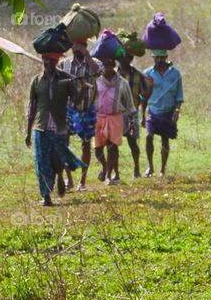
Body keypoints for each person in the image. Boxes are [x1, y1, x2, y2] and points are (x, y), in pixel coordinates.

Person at [25, 53, 86, 206]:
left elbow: (75, 103)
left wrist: (82, 90)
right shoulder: (37, 81)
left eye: (51, 60)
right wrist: (28, 132)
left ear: (57, 61)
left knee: (58, 159)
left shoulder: (66, 80)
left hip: (59, 128)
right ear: (42, 60)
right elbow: (31, 108)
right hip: (41, 128)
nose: (48, 62)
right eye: (45, 59)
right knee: (42, 162)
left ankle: (59, 175)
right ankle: (46, 196)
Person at [60, 41, 100, 191]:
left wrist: (86, 54)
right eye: (75, 46)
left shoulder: (93, 63)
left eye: (81, 45)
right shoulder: (64, 64)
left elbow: (97, 72)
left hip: (87, 109)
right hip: (69, 109)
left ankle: (82, 182)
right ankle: (68, 179)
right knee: (64, 144)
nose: (77, 48)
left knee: (86, 145)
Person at [93, 57, 136, 185]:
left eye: (109, 64)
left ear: (113, 64)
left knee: (112, 147)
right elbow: (91, 100)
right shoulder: (97, 82)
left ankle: (108, 176)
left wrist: (132, 121)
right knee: (98, 149)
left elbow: (129, 104)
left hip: (115, 117)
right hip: (99, 118)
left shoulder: (123, 83)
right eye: (104, 64)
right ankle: (105, 166)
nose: (107, 67)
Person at [143, 49, 183, 177]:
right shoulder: (148, 73)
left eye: (161, 57)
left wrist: (177, 110)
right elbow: (143, 96)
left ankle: (162, 169)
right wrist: (142, 115)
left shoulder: (175, 74)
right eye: (156, 58)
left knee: (165, 139)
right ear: (153, 57)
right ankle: (150, 167)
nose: (159, 60)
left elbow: (179, 95)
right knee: (148, 136)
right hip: (153, 111)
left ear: (166, 56)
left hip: (168, 111)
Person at [117, 51, 153, 179]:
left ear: (131, 58)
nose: (125, 59)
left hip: (132, 113)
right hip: (116, 113)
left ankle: (136, 168)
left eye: (128, 57)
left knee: (133, 142)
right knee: (114, 144)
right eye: (123, 57)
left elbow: (144, 96)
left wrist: (150, 88)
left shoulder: (138, 75)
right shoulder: (113, 74)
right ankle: (115, 173)